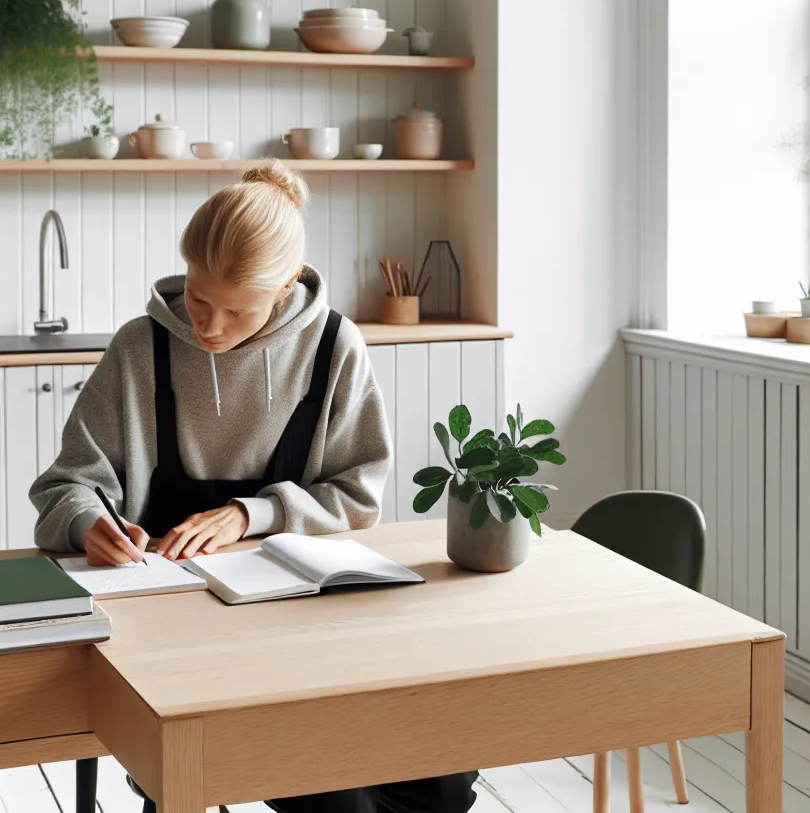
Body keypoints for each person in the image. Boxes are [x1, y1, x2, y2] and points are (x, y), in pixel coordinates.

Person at [30, 162, 478, 813]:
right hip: (180, 649)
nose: (209, 327)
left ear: (287, 285)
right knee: (337, 798)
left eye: (235, 311)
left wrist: (255, 514)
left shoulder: (333, 347)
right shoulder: (140, 348)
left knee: (442, 778)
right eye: (198, 297)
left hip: (317, 634)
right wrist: (85, 521)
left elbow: (358, 494)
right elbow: (66, 484)